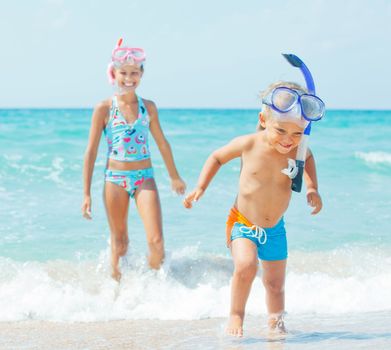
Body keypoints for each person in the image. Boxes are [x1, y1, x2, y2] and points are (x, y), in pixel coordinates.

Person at [183, 80, 323, 336]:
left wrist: (312, 188)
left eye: (297, 133)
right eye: (281, 131)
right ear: (264, 119)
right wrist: (200, 187)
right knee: (246, 267)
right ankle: (236, 315)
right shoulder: (249, 143)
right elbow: (217, 157)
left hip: (275, 228)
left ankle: (276, 322)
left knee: (275, 284)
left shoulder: (298, 150)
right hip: (243, 222)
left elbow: (309, 158)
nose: (288, 140)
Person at [82, 38, 186, 281]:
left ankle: (152, 286)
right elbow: (91, 152)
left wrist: (174, 176)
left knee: (156, 241)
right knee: (120, 243)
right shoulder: (104, 108)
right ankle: (119, 293)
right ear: (113, 73)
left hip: (144, 178)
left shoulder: (148, 108)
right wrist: (86, 193)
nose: (129, 78)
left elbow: (162, 142)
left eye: (134, 73)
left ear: (141, 74)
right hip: (114, 179)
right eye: (123, 73)